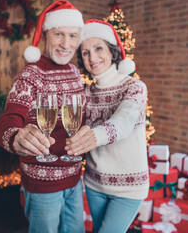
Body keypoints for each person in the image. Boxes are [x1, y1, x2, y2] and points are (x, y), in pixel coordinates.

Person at [0, 0, 85, 233]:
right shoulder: (30, 75)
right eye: (58, 34)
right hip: (43, 184)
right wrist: (16, 137)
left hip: (75, 178)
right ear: (45, 35)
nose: (66, 44)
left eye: (73, 36)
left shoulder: (76, 73)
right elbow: (7, 121)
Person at [65, 19, 149, 233]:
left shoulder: (135, 87)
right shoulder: (85, 93)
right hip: (94, 184)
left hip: (129, 188)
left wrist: (95, 136)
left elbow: (124, 121)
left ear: (112, 51)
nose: (92, 57)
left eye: (98, 48)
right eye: (85, 53)